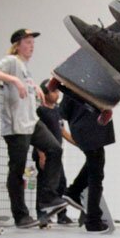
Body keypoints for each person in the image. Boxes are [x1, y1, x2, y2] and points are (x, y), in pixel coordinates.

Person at [0, 29, 66, 229]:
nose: (32, 46)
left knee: (55, 149)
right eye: (28, 42)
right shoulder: (12, 61)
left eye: (33, 42)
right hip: (17, 126)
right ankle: (20, 215)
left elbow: (26, 86)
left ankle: (48, 196)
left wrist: (34, 87)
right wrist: (13, 80)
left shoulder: (25, 67)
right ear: (17, 45)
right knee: (17, 169)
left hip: (31, 122)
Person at [55, 81, 116, 233]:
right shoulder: (98, 82)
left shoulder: (73, 82)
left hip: (80, 130)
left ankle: (74, 192)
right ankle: (93, 220)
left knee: (94, 164)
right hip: (93, 129)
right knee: (96, 175)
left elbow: (63, 112)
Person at [36, 79, 74, 224]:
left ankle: (61, 215)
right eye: (54, 91)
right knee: (44, 183)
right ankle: (42, 214)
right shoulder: (41, 111)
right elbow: (37, 134)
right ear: (45, 93)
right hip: (45, 153)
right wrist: (41, 155)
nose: (57, 94)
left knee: (61, 182)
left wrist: (77, 143)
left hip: (56, 154)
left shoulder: (57, 111)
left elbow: (62, 130)